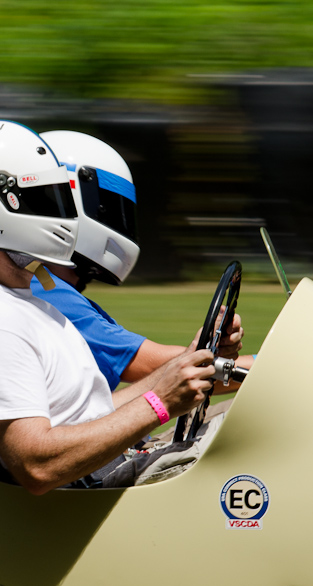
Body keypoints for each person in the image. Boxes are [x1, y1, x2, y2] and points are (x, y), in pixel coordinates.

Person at [0, 120, 216, 495]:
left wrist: (178, 372)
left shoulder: (25, 301)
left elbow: (87, 414)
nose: (66, 218)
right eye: (45, 198)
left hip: (101, 473)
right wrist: (161, 403)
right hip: (81, 497)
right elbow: (37, 465)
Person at [32, 130, 253, 391]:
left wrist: (206, 355)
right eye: (110, 207)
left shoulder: (39, 283)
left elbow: (179, 376)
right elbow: (165, 370)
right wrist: (279, 364)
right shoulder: (47, 293)